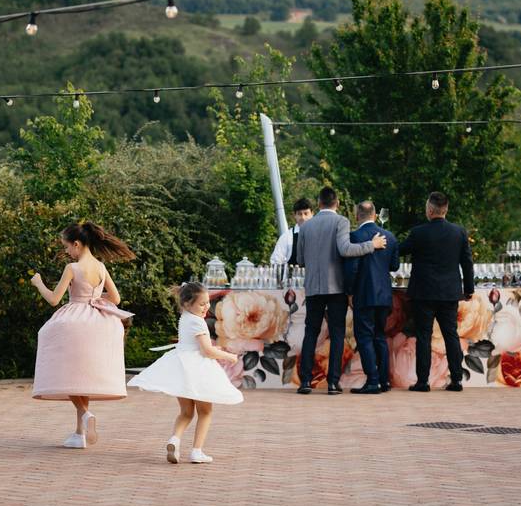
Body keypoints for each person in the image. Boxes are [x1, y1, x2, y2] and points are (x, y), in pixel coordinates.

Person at [30, 222, 135, 449]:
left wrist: (38, 283)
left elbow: (54, 299)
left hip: (74, 320)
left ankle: (86, 415)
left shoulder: (72, 268)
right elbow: (115, 299)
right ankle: (80, 434)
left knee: (64, 373)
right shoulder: (101, 267)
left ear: (76, 244)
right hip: (97, 322)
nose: (67, 251)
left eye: (67, 247)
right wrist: (95, 297)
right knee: (81, 379)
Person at [128, 282, 243, 464]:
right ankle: (197, 451)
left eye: (207, 303)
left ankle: (175, 439)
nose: (206, 307)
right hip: (198, 370)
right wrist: (229, 357)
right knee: (205, 411)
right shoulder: (198, 322)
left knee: (186, 412)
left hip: (182, 366)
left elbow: (194, 344)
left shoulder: (186, 317)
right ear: (188, 304)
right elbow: (207, 351)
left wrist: (214, 347)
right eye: (201, 304)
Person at [296, 187, 387, 395]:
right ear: (336, 203)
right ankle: (332, 383)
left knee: (311, 332)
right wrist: (371, 245)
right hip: (336, 286)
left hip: (313, 288)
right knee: (337, 334)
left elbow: (300, 259)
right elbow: (346, 250)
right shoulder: (341, 222)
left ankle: (305, 382)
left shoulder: (306, 227)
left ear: (318, 204)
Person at [399, 192, 474, 392]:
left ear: (430, 210)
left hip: (423, 293)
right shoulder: (459, 233)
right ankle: (456, 380)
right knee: (451, 335)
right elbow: (467, 263)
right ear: (446, 210)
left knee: (424, 336)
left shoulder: (418, 233)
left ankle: (423, 382)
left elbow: (399, 250)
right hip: (449, 293)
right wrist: (469, 289)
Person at [348, 201, 400, 394]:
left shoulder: (354, 236)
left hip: (364, 293)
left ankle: (373, 381)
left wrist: (350, 292)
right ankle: (384, 381)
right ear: (375, 215)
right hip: (384, 295)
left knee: (364, 337)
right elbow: (394, 266)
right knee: (380, 336)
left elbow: (352, 269)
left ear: (357, 216)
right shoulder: (390, 237)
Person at [270, 198, 314, 266]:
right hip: (292, 276)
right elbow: (275, 262)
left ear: (312, 214)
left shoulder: (320, 235)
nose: (303, 217)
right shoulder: (286, 237)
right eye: (299, 214)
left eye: (306, 213)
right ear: (295, 215)